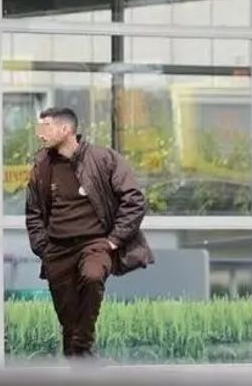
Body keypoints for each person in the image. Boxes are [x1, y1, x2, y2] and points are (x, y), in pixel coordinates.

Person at [24, 107, 154, 358]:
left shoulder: (103, 159)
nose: (40, 134)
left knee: (93, 277)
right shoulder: (41, 166)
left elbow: (134, 200)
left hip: (95, 243)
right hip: (57, 249)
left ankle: (82, 349)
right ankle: (79, 357)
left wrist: (114, 240)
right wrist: (43, 248)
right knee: (68, 315)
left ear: (65, 129)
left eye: (46, 127)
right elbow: (33, 212)